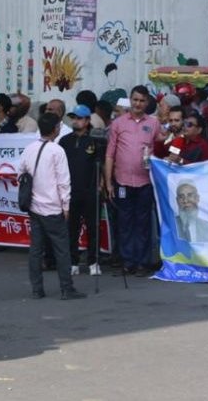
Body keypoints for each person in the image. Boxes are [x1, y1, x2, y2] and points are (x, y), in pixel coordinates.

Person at [21, 113, 86, 300]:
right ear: (55, 129)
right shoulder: (57, 151)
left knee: (36, 250)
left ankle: (37, 289)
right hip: (53, 207)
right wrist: (66, 206)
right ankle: (66, 288)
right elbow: (64, 182)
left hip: (34, 206)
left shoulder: (29, 149)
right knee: (62, 249)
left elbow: (21, 173)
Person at [103, 86, 161, 277]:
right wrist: (108, 182)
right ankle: (128, 262)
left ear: (147, 103)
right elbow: (110, 155)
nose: (138, 104)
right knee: (125, 222)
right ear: (130, 100)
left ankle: (143, 262)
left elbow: (162, 146)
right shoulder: (118, 123)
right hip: (122, 182)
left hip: (145, 182)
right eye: (135, 100)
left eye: (142, 100)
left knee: (143, 223)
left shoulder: (154, 123)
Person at [60, 105, 102, 277]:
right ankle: (73, 262)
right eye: (73, 118)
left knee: (93, 228)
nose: (75, 121)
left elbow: (101, 164)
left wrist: (101, 185)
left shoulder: (95, 139)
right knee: (72, 228)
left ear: (87, 120)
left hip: (90, 190)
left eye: (79, 118)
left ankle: (93, 262)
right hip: (71, 191)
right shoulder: (65, 141)